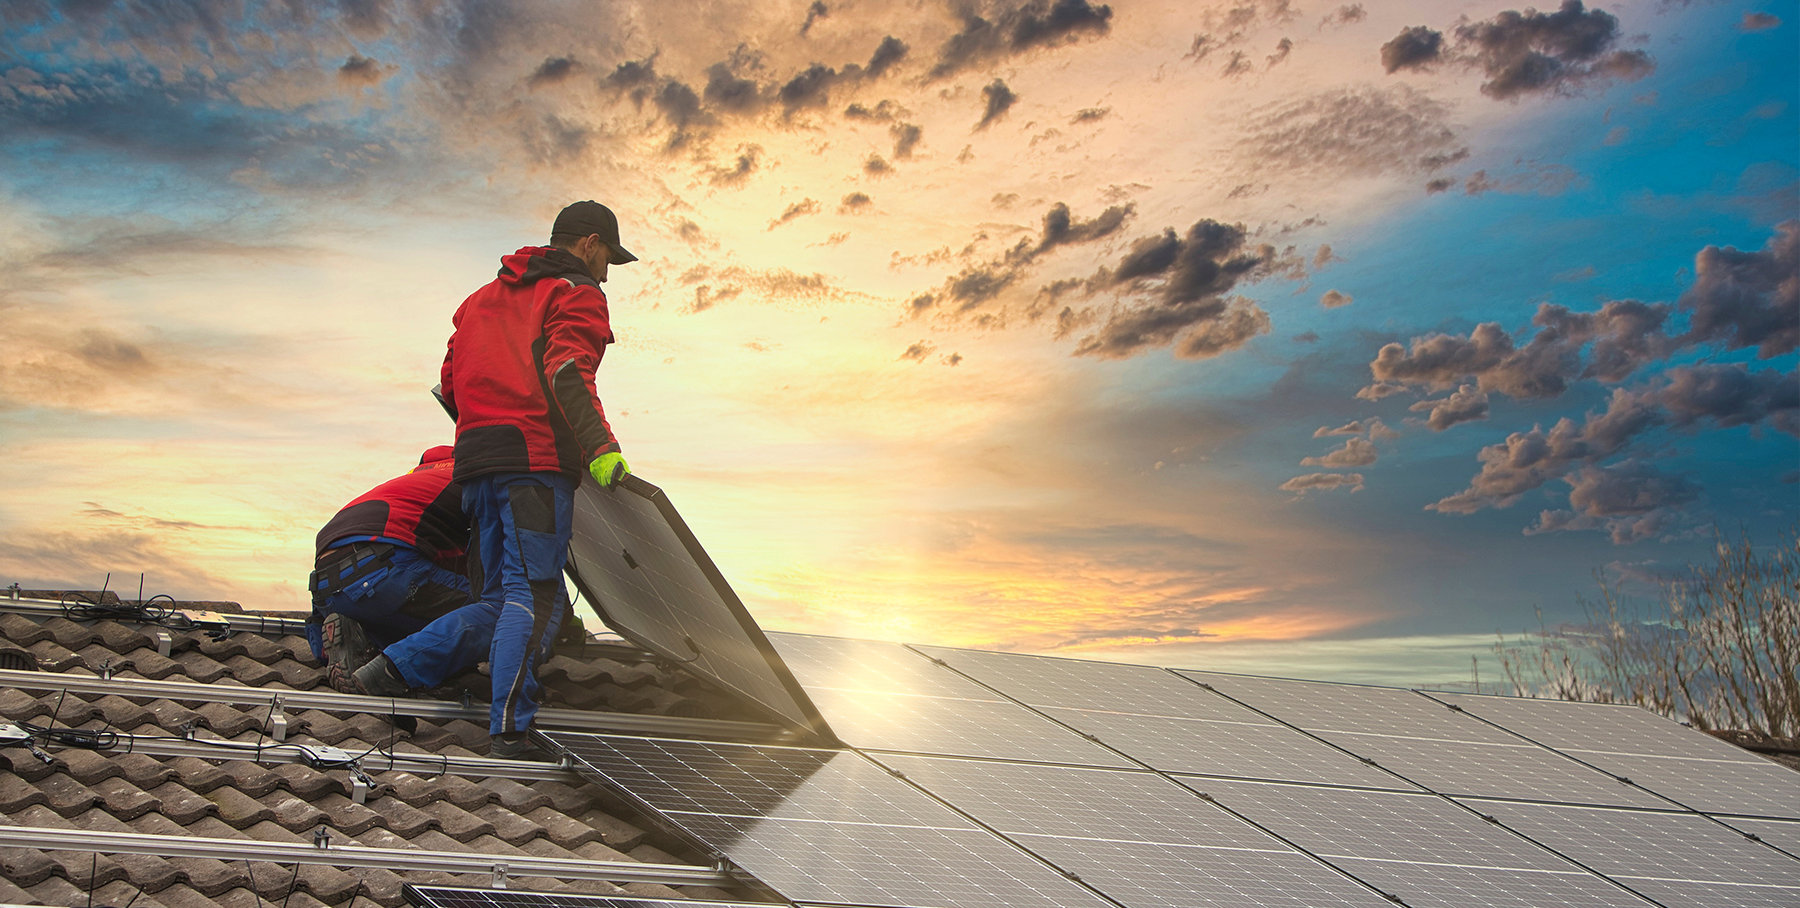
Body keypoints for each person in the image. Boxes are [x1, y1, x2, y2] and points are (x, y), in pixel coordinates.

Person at [335, 201, 637, 760]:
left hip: (476, 465)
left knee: (498, 598)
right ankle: (511, 728)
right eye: (608, 260)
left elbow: (451, 383)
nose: (606, 273)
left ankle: (393, 670)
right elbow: (567, 369)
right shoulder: (576, 293)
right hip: (534, 466)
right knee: (535, 598)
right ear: (591, 244)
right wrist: (600, 449)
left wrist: (487, 421)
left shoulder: (480, 300)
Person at [308, 445, 472, 689]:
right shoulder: (473, 480)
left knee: (408, 609)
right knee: (496, 609)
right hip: (384, 569)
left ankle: (358, 638)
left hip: (325, 587)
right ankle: (395, 670)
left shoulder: (411, 480)